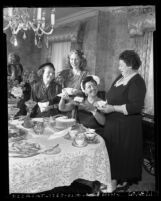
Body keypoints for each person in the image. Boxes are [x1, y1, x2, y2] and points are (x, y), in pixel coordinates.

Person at [97, 50, 146, 191]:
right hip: (113, 123)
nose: (119, 68)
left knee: (120, 154)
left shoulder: (137, 81)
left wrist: (113, 108)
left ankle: (113, 182)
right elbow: (112, 96)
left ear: (130, 65)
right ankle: (112, 179)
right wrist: (104, 104)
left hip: (126, 126)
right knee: (111, 152)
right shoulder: (120, 77)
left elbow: (135, 107)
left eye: (121, 65)